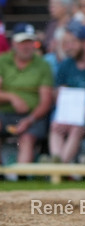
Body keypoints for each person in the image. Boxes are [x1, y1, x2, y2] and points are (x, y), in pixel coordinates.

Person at [0, 24, 54, 165]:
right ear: (14, 43)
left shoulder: (43, 65)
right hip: (5, 113)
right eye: (23, 42)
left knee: (27, 138)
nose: (26, 46)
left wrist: (29, 119)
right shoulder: (3, 61)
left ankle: (21, 177)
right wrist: (12, 97)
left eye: (30, 42)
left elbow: (46, 101)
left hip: (34, 116)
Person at [48, 22, 85, 163]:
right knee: (56, 126)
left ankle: (60, 167)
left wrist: (83, 111)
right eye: (64, 43)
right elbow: (59, 94)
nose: (67, 47)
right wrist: (68, 113)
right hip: (70, 112)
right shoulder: (65, 65)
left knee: (77, 128)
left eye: (71, 42)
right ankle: (57, 163)